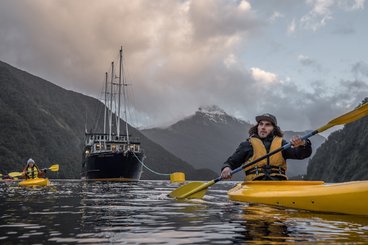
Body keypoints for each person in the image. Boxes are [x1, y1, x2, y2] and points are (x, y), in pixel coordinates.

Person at [221, 113, 312, 181]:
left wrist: (303, 144)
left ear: (274, 128)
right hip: (254, 185)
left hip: (278, 184)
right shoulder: (247, 145)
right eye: (261, 124)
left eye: (267, 125)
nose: (263, 127)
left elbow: (301, 154)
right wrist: (226, 168)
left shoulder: (281, 144)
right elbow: (231, 162)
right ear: (257, 127)